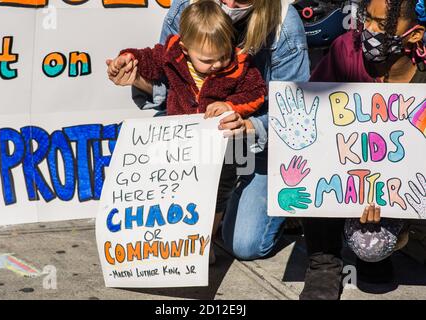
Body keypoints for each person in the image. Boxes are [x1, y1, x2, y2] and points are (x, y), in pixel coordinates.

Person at [108, 0, 310, 262]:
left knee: (245, 244)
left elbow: (292, 111)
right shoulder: (184, 11)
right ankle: (175, 234)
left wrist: (245, 121)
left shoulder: (283, 25)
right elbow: (157, 65)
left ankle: (220, 228)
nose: (232, 4)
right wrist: (134, 73)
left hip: (257, 141)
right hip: (192, 135)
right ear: (184, 47)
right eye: (206, 60)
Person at [301, 0, 426, 300]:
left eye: (381, 24)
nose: (368, 29)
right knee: (313, 160)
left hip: (404, 189)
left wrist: (405, 219)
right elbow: (311, 117)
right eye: (367, 18)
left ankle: (394, 247)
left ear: (414, 34)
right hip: (348, 174)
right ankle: (324, 262)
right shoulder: (346, 50)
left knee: (376, 248)